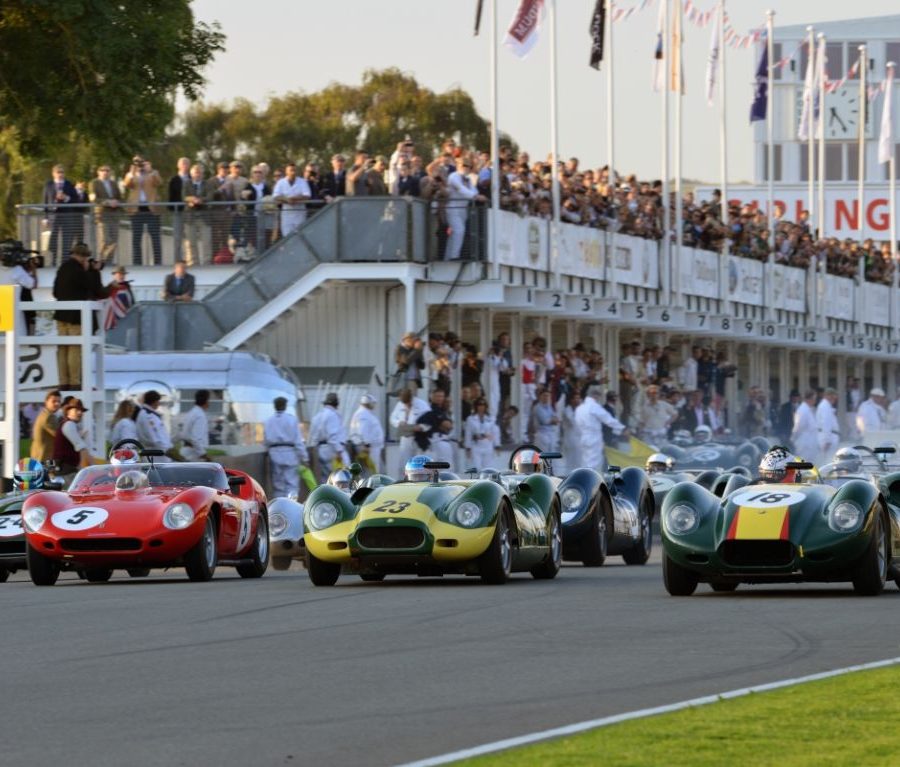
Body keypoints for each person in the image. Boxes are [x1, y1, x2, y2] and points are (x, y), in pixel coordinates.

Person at [52, 242, 109, 389]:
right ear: (83, 257)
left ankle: (63, 381)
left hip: (61, 315)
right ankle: (75, 382)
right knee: (75, 349)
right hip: (77, 316)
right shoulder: (79, 271)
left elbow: (55, 292)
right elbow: (96, 289)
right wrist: (94, 272)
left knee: (62, 349)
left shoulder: (63, 268)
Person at [263, 396, 309, 498]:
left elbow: (265, 440)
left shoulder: (268, 421)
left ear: (275, 407)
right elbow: (298, 441)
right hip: (290, 453)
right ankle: (292, 507)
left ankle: (279, 508)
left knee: (278, 485)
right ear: (285, 406)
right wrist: (304, 457)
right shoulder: (292, 419)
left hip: (274, 454)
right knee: (292, 484)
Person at [575, 385, 628, 472]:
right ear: (595, 396)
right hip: (593, 437)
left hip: (582, 436)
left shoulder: (580, 408)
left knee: (585, 462)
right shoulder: (594, 407)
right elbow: (608, 419)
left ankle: (585, 479)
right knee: (594, 463)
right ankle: (592, 482)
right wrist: (622, 428)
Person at [123, 155, 163, 265]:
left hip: (151, 210)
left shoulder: (153, 173)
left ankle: (158, 263)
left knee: (155, 238)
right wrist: (131, 173)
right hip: (136, 210)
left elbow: (159, 183)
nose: (140, 165)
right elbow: (126, 185)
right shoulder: (131, 174)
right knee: (136, 239)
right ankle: (137, 263)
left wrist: (151, 172)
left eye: (141, 162)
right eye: (137, 163)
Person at [445, 156, 485, 260]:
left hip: (463, 210)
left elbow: (474, 190)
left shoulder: (467, 179)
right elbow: (461, 189)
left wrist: (478, 195)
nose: (466, 168)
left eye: (468, 166)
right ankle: (454, 256)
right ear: (458, 166)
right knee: (459, 230)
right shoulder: (453, 176)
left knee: (454, 234)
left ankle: (447, 257)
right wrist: (475, 197)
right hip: (453, 208)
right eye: (464, 165)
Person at [42, 164, 80, 264]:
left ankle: (65, 261)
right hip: (53, 216)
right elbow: (45, 201)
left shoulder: (69, 184)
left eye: (62, 172)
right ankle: (53, 260)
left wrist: (66, 198)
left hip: (67, 215)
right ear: (53, 174)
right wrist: (45, 217)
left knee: (67, 239)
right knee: (53, 238)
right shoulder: (48, 185)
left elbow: (75, 199)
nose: (60, 174)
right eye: (58, 172)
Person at [308, 392, 350, 481]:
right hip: (333, 449)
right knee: (342, 477)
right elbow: (332, 436)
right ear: (336, 403)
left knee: (326, 478)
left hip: (321, 449)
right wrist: (339, 451)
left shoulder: (317, 416)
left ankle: (327, 494)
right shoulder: (332, 415)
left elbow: (312, 436)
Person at [390, 387, 431, 476]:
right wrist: (398, 422)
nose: (406, 405)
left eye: (408, 403)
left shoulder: (422, 405)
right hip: (405, 437)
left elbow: (429, 421)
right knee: (403, 464)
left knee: (418, 465)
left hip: (418, 438)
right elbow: (392, 418)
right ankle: (403, 483)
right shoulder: (400, 404)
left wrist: (421, 427)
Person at [135, 390, 184, 462]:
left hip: (159, 456)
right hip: (155, 457)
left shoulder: (150, 414)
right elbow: (154, 439)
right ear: (154, 401)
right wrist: (169, 451)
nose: (159, 403)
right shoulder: (147, 416)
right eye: (158, 401)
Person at [52, 398, 92, 476]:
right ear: (68, 411)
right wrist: (95, 468)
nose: (80, 413)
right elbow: (82, 448)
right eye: (76, 410)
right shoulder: (69, 425)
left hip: (67, 469)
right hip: (65, 471)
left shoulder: (70, 424)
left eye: (81, 411)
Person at [349, 393, 385, 474]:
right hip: (369, 448)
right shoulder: (363, 414)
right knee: (371, 471)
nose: (374, 405)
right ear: (369, 403)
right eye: (373, 403)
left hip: (370, 447)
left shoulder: (364, 413)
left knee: (372, 470)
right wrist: (366, 445)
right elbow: (363, 430)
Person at [273, 162, 311, 236]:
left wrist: (295, 199)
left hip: (300, 214)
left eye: (294, 170)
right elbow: (276, 196)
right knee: (287, 236)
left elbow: (307, 195)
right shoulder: (281, 182)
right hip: (286, 215)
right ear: (286, 171)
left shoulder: (302, 181)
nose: (293, 172)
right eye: (291, 170)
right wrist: (286, 199)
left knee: (300, 237)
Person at [464, 398, 499, 470]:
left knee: (488, 467)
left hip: (487, 445)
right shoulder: (470, 419)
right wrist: (468, 447)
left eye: (483, 405)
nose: (481, 407)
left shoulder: (491, 418)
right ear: (476, 406)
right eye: (479, 405)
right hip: (476, 445)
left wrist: (497, 445)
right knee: (476, 467)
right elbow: (468, 433)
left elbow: (495, 432)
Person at [30, 390, 62, 461]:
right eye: (54, 401)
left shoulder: (45, 414)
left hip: (40, 458)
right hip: (43, 459)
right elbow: (59, 436)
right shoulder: (48, 417)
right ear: (46, 402)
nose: (57, 404)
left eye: (59, 401)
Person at [180, 389, 210, 461]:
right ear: (206, 401)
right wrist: (203, 454)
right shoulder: (200, 415)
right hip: (193, 453)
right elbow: (196, 439)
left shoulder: (192, 413)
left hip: (187, 451)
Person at [790, 390, 819, 462]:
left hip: (810, 444)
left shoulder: (808, 409)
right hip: (804, 444)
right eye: (814, 399)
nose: (815, 401)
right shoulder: (802, 410)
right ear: (808, 399)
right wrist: (793, 438)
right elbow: (798, 427)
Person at [816, 387, 841, 465]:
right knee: (828, 462)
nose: (835, 398)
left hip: (830, 437)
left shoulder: (826, 406)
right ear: (828, 396)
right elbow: (826, 424)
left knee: (829, 462)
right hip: (829, 438)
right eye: (833, 396)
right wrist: (827, 441)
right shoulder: (825, 406)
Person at [561, 391, 583, 473]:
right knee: (571, 462)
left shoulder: (580, 410)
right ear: (571, 400)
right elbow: (574, 422)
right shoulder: (567, 410)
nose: (577, 400)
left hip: (579, 439)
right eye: (575, 398)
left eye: (578, 398)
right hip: (570, 439)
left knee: (579, 461)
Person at [533, 389, 560, 454]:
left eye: (548, 396)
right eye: (544, 395)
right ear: (540, 397)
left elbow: (556, 420)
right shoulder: (537, 407)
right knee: (543, 458)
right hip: (542, 434)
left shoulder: (549, 406)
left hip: (551, 434)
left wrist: (553, 420)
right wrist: (552, 420)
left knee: (551, 458)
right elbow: (545, 421)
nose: (546, 397)